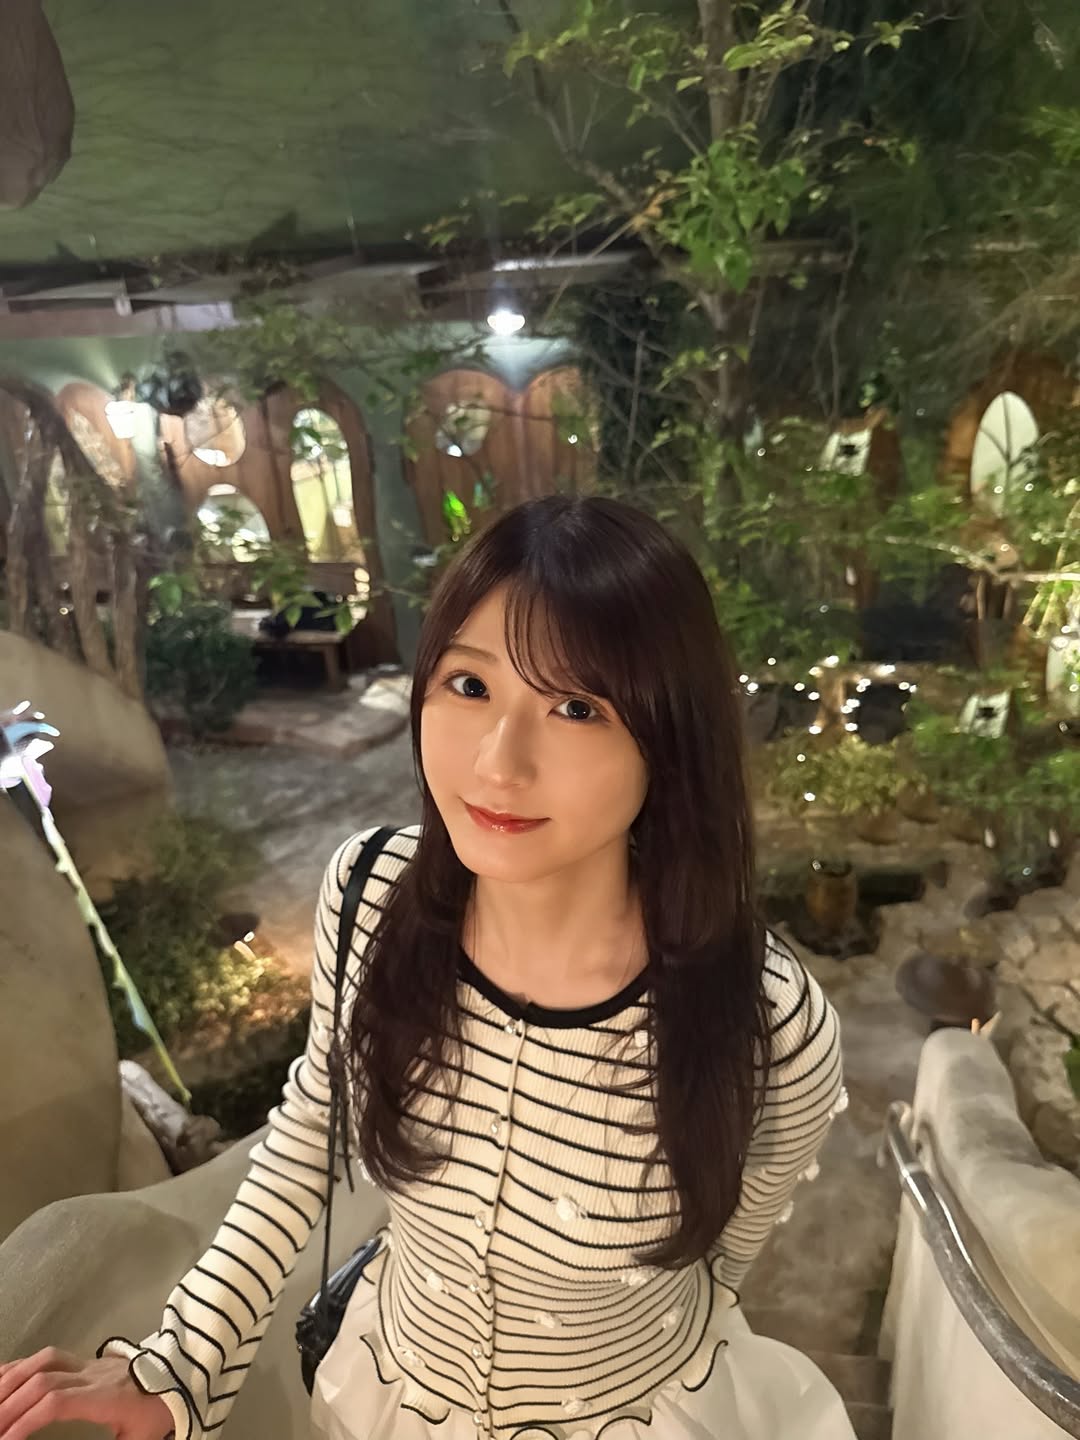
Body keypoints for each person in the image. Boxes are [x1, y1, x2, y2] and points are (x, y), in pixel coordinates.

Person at [0, 494, 853, 1440]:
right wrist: (178, 1370)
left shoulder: (764, 1019)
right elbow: (314, 1131)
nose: (498, 764)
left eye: (576, 707)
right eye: (470, 684)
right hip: (389, 1399)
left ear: (671, 737)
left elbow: (727, 1258)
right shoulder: (372, 896)